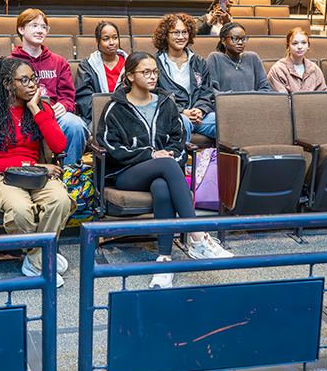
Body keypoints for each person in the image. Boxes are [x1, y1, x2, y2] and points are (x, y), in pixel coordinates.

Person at [98, 52, 231, 288]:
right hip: (126, 173)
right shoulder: (114, 108)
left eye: (155, 72)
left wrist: (165, 156)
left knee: (162, 188)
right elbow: (110, 146)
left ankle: (164, 260)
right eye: (145, 72)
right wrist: (149, 154)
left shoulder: (166, 103)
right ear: (130, 76)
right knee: (167, 164)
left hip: (161, 172)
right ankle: (197, 236)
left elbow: (178, 142)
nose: (153, 77)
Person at [0, 56, 75, 287]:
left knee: (60, 200)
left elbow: (60, 146)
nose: (33, 85)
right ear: (8, 84)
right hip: (4, 177)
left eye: (33, 79)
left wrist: (36, 110)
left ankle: (35, 259)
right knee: (20, 209)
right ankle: (43, 257)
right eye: (24, 80)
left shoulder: (41, 108)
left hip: (38, 177)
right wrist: (34, 166)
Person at [11, 9, 89, 165]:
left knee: (76, 125)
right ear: (21, 29)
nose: (40, 30)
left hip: (54, 116)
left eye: (44, 27)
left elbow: (68, 97)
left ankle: (70, 176)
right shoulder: (10, 63)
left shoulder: (59, 62)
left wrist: (64, 105)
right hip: (22, 117)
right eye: (34, 25)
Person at [153, 13, 216, 140]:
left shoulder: (199, 62)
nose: (181, 37)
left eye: (184, 32)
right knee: (183, 122)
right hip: (169, 116)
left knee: (224, 122)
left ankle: (229, 159)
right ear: (166, 35)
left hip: (198, 117)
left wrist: (200, 111)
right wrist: (182, 111)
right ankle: (182, 159)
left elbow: (207, 92)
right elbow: (155, 95)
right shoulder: (155, 63)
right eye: (175, 33)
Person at [75, 20, 127, 125]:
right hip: (97, 119)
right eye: (106, 39)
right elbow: (84, 99)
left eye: (115, 38)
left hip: (126, 117)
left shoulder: (130, 64)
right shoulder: (87, 65)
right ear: (97, 41)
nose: (112, 42)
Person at [207, 22, 271, 93]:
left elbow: (266, 88)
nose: (240, 42)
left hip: (252, 102)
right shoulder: (215, 58)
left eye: (243, 39)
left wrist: (249, 98)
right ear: (223, 40)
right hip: (225, 102)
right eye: (235, 39)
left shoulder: (253, 58)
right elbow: (210, 89)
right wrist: (234, 99)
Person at [268, 27, 327, 93]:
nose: (300, 47)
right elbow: (281, 100)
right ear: (288, 46)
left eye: (304, 43)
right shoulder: (277, 70)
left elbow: (322, 97)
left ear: (308, 45)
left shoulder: (315, 70)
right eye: (295, 43)